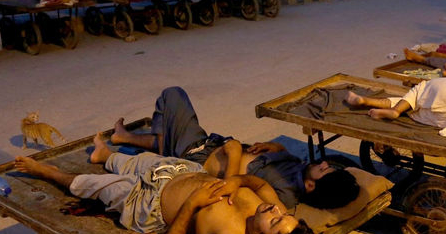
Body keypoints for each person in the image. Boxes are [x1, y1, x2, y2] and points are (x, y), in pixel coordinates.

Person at [13, 135, 317, 234]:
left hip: (146, 203)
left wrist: (193, 203)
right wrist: (236, 181)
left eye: (275, 220)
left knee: (93, 185)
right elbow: (260, 183)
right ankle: (105, 156)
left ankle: (50, 173)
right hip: (180, 171)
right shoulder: (270, 207)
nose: (275, 209)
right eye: (281, 213)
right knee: (140, 160)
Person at [110, 87, 360, 210]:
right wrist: (274, 146)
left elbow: (237, 190)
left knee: (172, 95)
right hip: (211, 144)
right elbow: (282, 151)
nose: (324, 163)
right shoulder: (300, 168)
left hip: (198, 154)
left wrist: (234, 153)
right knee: (173, 128)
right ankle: (126, 138)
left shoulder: (284, 195)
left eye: (325, 171)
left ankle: (164, 151)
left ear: (310, 187)